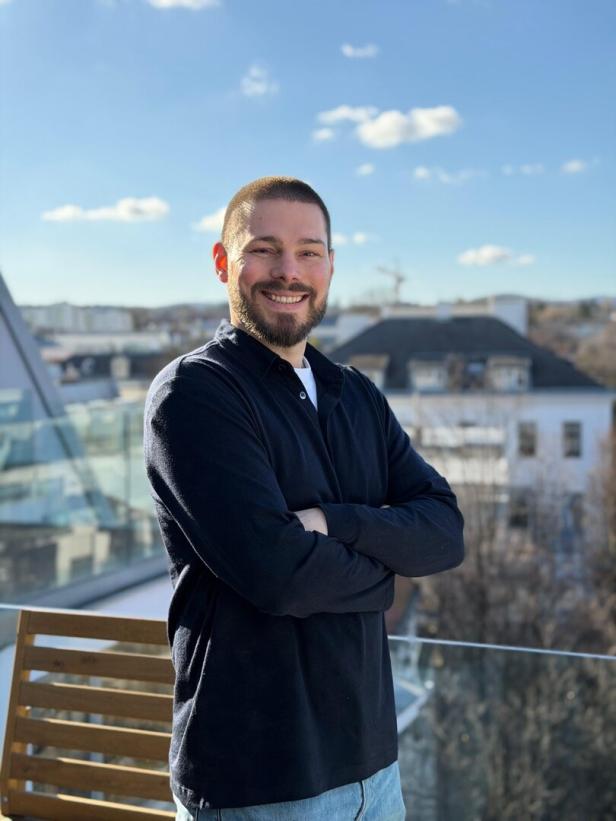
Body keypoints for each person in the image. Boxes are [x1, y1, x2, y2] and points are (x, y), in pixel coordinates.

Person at [143, 176, 464, 820]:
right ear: (222, 262)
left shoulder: (356, 394)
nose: (289, 271)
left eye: (309, 251)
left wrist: (333, 522)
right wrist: (384, 577)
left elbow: (444, 532)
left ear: (330, 266)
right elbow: (281, 575)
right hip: (259, 783)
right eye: (265, 249)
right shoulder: (196, 395)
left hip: (376, 770)